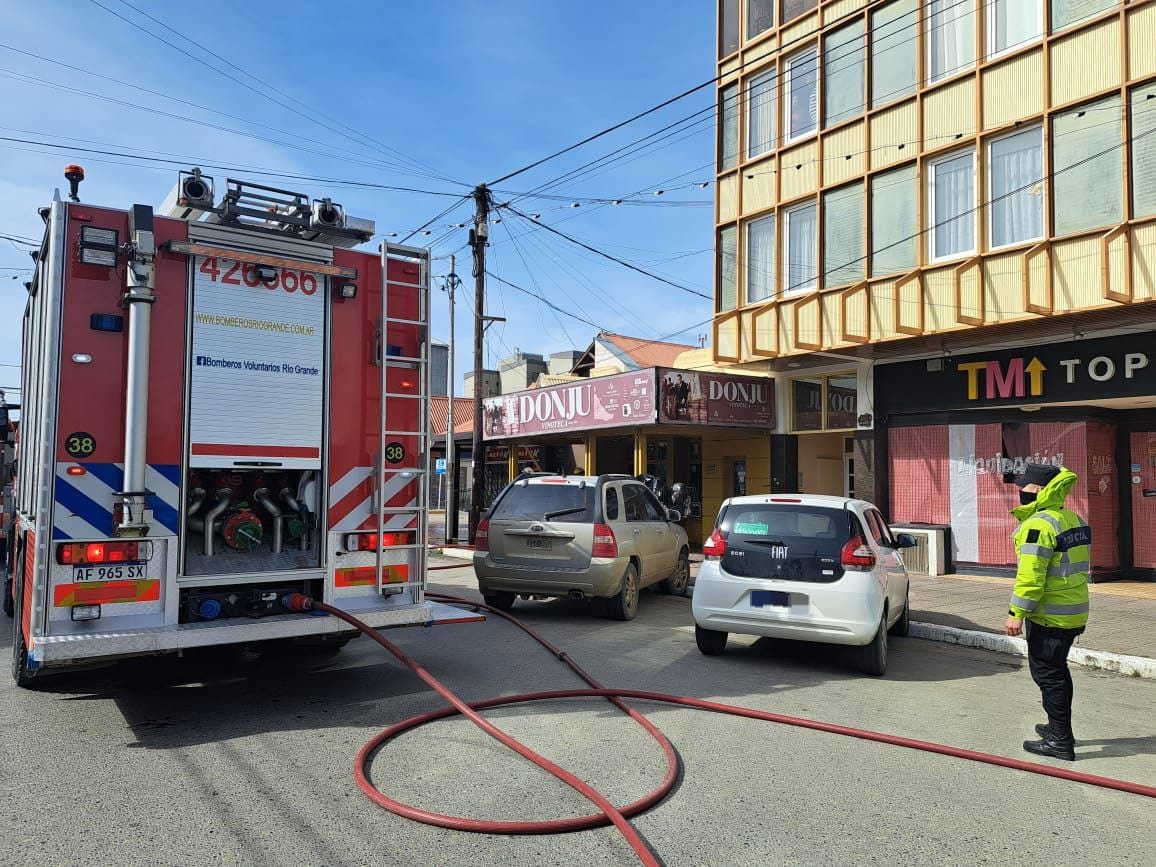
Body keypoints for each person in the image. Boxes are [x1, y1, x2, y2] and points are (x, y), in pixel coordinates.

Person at [1004, 464, 1091, 762]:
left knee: (1049, 675)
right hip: (1073, 612)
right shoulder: (1072, 519)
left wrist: (1016, 613)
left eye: (1025, 487)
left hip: (1049, 615)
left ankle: (1059, 740)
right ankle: (1058, 728)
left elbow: (1031, 577)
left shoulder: (1039, 525)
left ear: (1040, 490)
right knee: (1057, 671)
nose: (1020, 493)